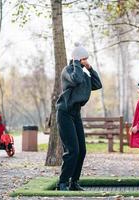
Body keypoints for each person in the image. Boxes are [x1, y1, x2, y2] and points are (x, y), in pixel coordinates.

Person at [56, 42, 102, 191]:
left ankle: (74, 182)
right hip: (64, 113)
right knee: (72, 150)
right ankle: (62, 182)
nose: (86, 61)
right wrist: (76, 61)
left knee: (82, 150)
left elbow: (97, 84)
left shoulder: (84, 74)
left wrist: (90, 68)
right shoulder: (68, 71)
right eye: (84, 59)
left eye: (86, 59)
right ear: (77, 59)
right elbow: (76, 79)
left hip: (75, 114)